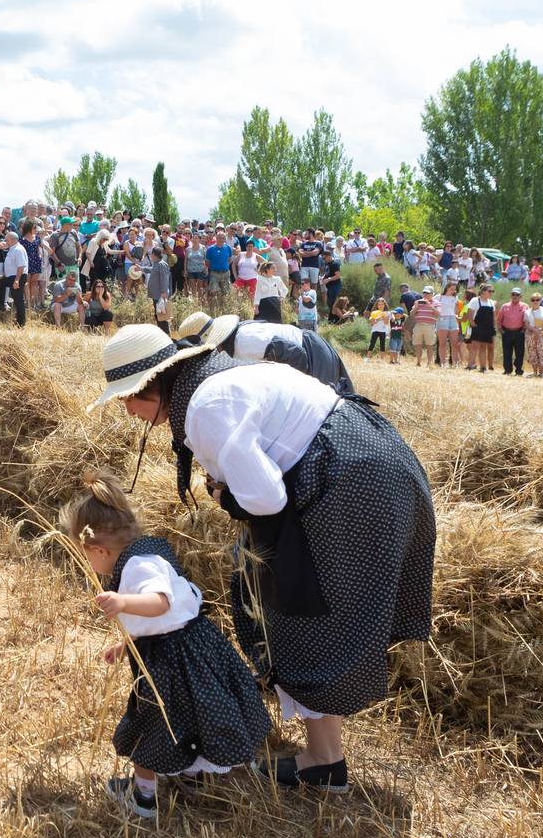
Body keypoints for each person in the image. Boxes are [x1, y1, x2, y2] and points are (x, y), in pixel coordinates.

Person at [91, 325, 433, 795]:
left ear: (154, 385)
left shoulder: (205, 409)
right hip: (370, 461)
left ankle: (323, 762)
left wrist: (219, 492)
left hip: (349, 481)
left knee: (302, 612)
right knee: (306, 614)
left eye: (128, 397)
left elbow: (265, 500)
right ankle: (324, 762)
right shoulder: (216, 379)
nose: (127, 410)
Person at [62, 471, 271, 819]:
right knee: (193, 715)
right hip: (189, 648)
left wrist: (122, 602)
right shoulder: (145, 553)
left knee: (152, 725)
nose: (92, 567)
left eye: (88, 558)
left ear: (99, 549)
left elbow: (160, 603)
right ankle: (191, 773)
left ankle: (144, 797)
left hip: (173, 659)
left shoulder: (140, 566)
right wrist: (127, 646)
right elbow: (159, 622)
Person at [178, 311, 355, 393]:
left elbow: (296, 355)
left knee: (329, 409)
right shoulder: (234, 343)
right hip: (309, 350)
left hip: (313, 353)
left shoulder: (244, 341)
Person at [0, 230, 29, 327]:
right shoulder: (13, 248)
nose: (5, 241)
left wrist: (16, 280)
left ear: (12, 240)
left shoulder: (18, 249)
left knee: (18, 299)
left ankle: (21, 323)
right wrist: (4, 275)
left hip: (18, 277)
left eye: (6, 240)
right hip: (13, 276)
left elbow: (21, 266)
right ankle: (2, 304)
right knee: (1, 282)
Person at [465, 285, 496, 372]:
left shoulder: (491, 302)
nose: (491, 293)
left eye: (492, 291)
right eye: (489, 291)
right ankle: (470, 365)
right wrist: (473, 324)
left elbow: (493, 317)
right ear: (483, 291)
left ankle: (483, 367)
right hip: (477, 326)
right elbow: (469, 313)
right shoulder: (475, 300)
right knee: (474, 346)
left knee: (483, 347)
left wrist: (493, 327)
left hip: (487, 328)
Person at [525, 293, 543, 378]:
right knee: (532, 352)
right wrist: (534, 330)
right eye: (533, 300)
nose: (535, 301)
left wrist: (540, 330)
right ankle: (534, 372)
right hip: (531, 334)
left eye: (537, 299)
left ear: (541, 300)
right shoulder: (527, 311)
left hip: (542, 334)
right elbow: (526, 324)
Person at [411, 285, 439, 367]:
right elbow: (411, 314)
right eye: (424, 292)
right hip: (418, 325)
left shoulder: (436, 303)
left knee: (429, 345)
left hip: (430, 325)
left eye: (427, 293)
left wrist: (429, 305)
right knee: (417, 344)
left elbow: (438, 314)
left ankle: (429, 363)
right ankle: (418, 362)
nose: (425, 294)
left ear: (432, 294)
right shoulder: (418, 302)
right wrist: (416, 307)